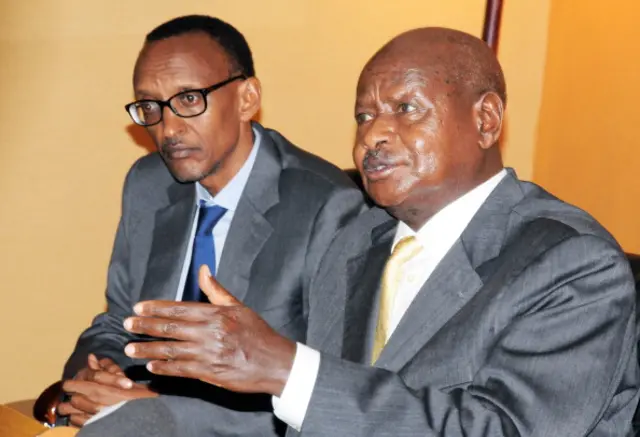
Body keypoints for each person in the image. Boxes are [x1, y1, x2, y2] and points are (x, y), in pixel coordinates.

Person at [78, 27, 639, 437]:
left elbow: (498, 431)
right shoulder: (359, 243)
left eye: (405, 108)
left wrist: (285, 369)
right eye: (363, 116)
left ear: (486, 120)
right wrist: (126, 413)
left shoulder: (571, 266)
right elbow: (320, 413)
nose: (375, 135)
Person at [57, 14, 365, 434]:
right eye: (150, 106)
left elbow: (325, 390)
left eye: (188, 100)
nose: (168, 128)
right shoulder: (149, 184)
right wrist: (99, 376)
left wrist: (155, 410)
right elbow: (117, 324)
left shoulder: (327, 207)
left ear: (247, 98)